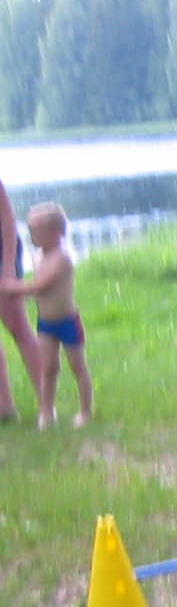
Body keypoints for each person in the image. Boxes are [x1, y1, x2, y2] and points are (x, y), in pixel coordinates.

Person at [0, 202, 90, 429]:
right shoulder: (39, 257)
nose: (31, 237)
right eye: (30, 231)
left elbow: (39, 285)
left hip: (67, 322)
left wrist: (12, 286)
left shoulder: (61, 259)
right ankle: (46, 412)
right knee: (49, 368)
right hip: (46, 324)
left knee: (77, 366)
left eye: (36, 232)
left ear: (55, 233)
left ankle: (85, 412)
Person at [0, 177, 45, 423]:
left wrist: (8, 268)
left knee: (16, 324)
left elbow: (7, 219)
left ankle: (46, 404)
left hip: (2, 252)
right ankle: (4, 407)